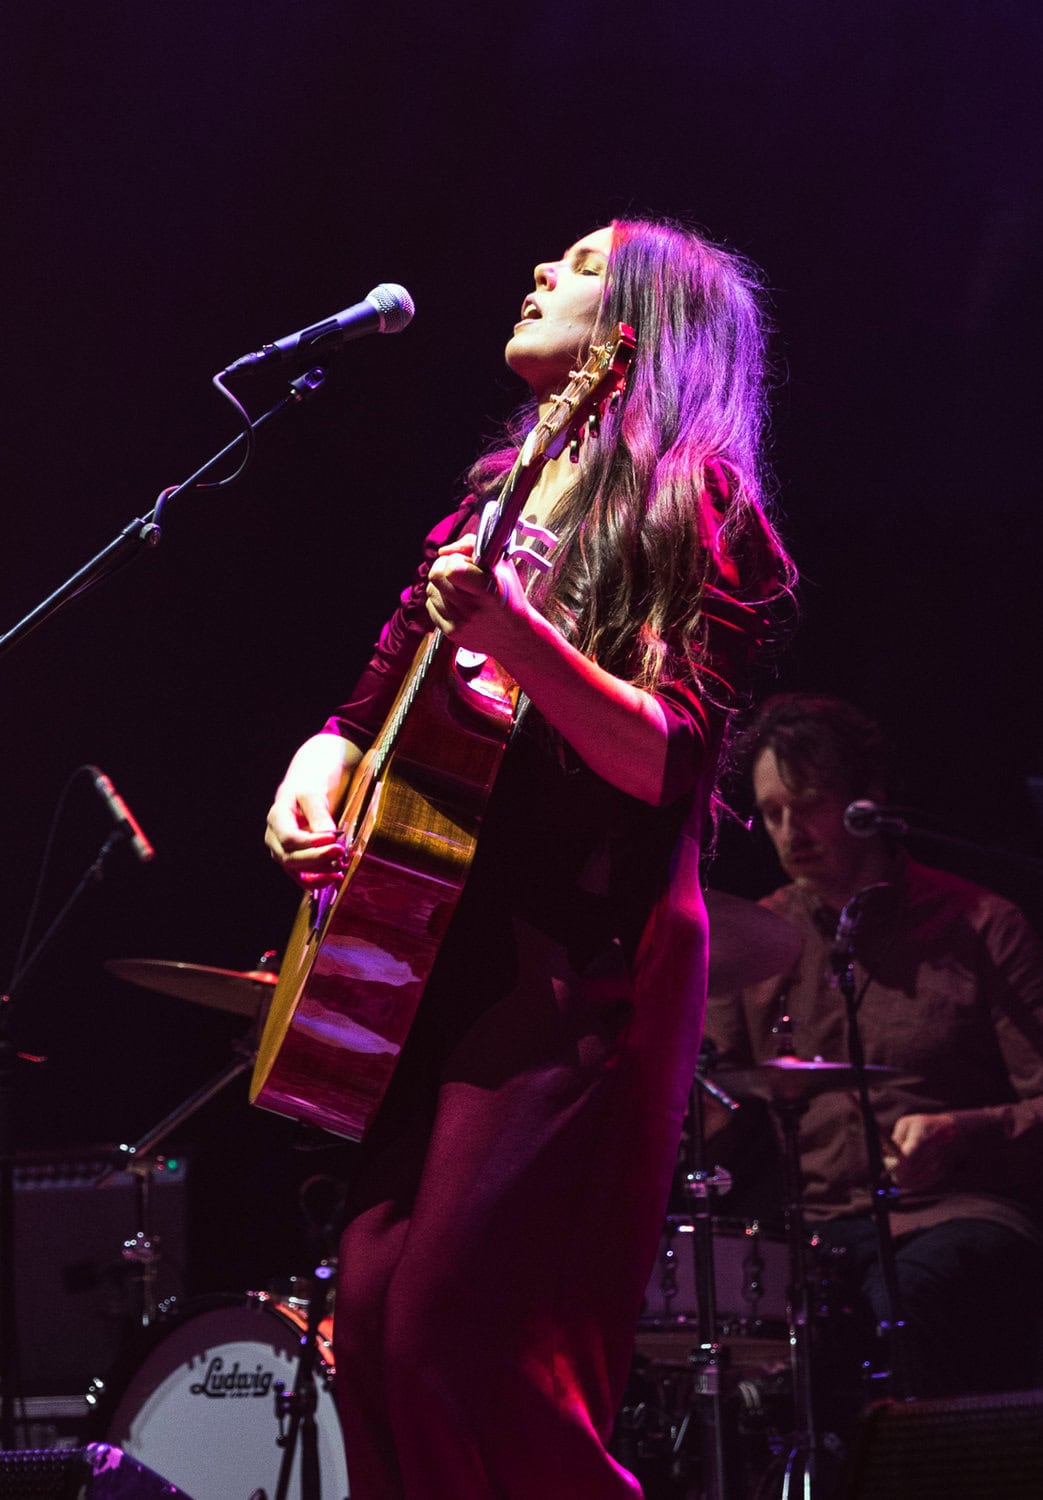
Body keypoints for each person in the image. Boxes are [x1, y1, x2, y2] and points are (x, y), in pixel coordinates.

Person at [264, 218, 795, 1499]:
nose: (540, 274)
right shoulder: (498, 493)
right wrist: (317, 763)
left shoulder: (697, 505)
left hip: (577, 962)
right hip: (432, 946)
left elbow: (666, 760)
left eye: (581, 267)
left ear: (640, 331)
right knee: (370, 1331)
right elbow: (375, 694)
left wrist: (516, 635)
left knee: (462, 1348)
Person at [703, 692, 1043, 1414]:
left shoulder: (982, 926)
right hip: (817, 1235)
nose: (788, 832)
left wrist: (962, 1131)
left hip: (956, 1215)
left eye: (808, 806)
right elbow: (712, 1107)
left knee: (899, 1302)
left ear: (868, 799)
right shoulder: (751, 942)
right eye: (770, 813)